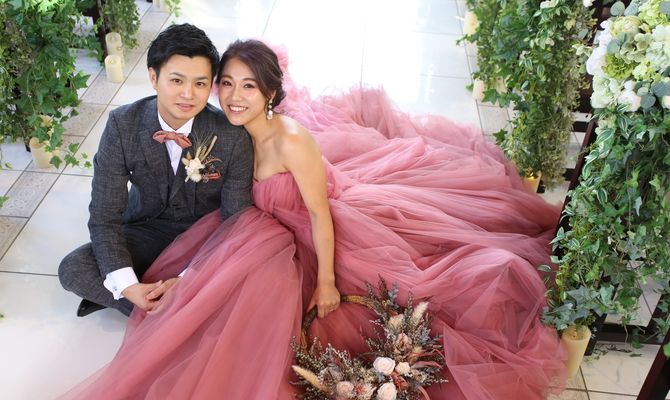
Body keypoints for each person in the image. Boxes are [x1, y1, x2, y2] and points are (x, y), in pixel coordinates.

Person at [60, 40, 567, 399]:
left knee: (352, 304)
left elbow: (316, 214)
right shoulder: (209, 127)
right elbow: (121, 210)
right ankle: (156, 308)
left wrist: (325, 280)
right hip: (233, 228)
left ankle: (187, 323)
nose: (234, 96)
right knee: (99, 270)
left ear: (269, 94)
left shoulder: (288, 140)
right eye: (227, 84)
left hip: (302, 229)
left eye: (248, 87)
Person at [57, 24, 253, 317]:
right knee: (73, 268)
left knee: (243, 279)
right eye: (176, 80)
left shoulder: (232, 136)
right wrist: (127, 286)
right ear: (153, 77)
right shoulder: (122, 125)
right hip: (146, 229)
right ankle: (162, 308)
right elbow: (104, 216)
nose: (188, 94)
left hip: (204, 238)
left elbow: (234, 223)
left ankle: (160, 309)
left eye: (200, 84)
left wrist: (187, 278)